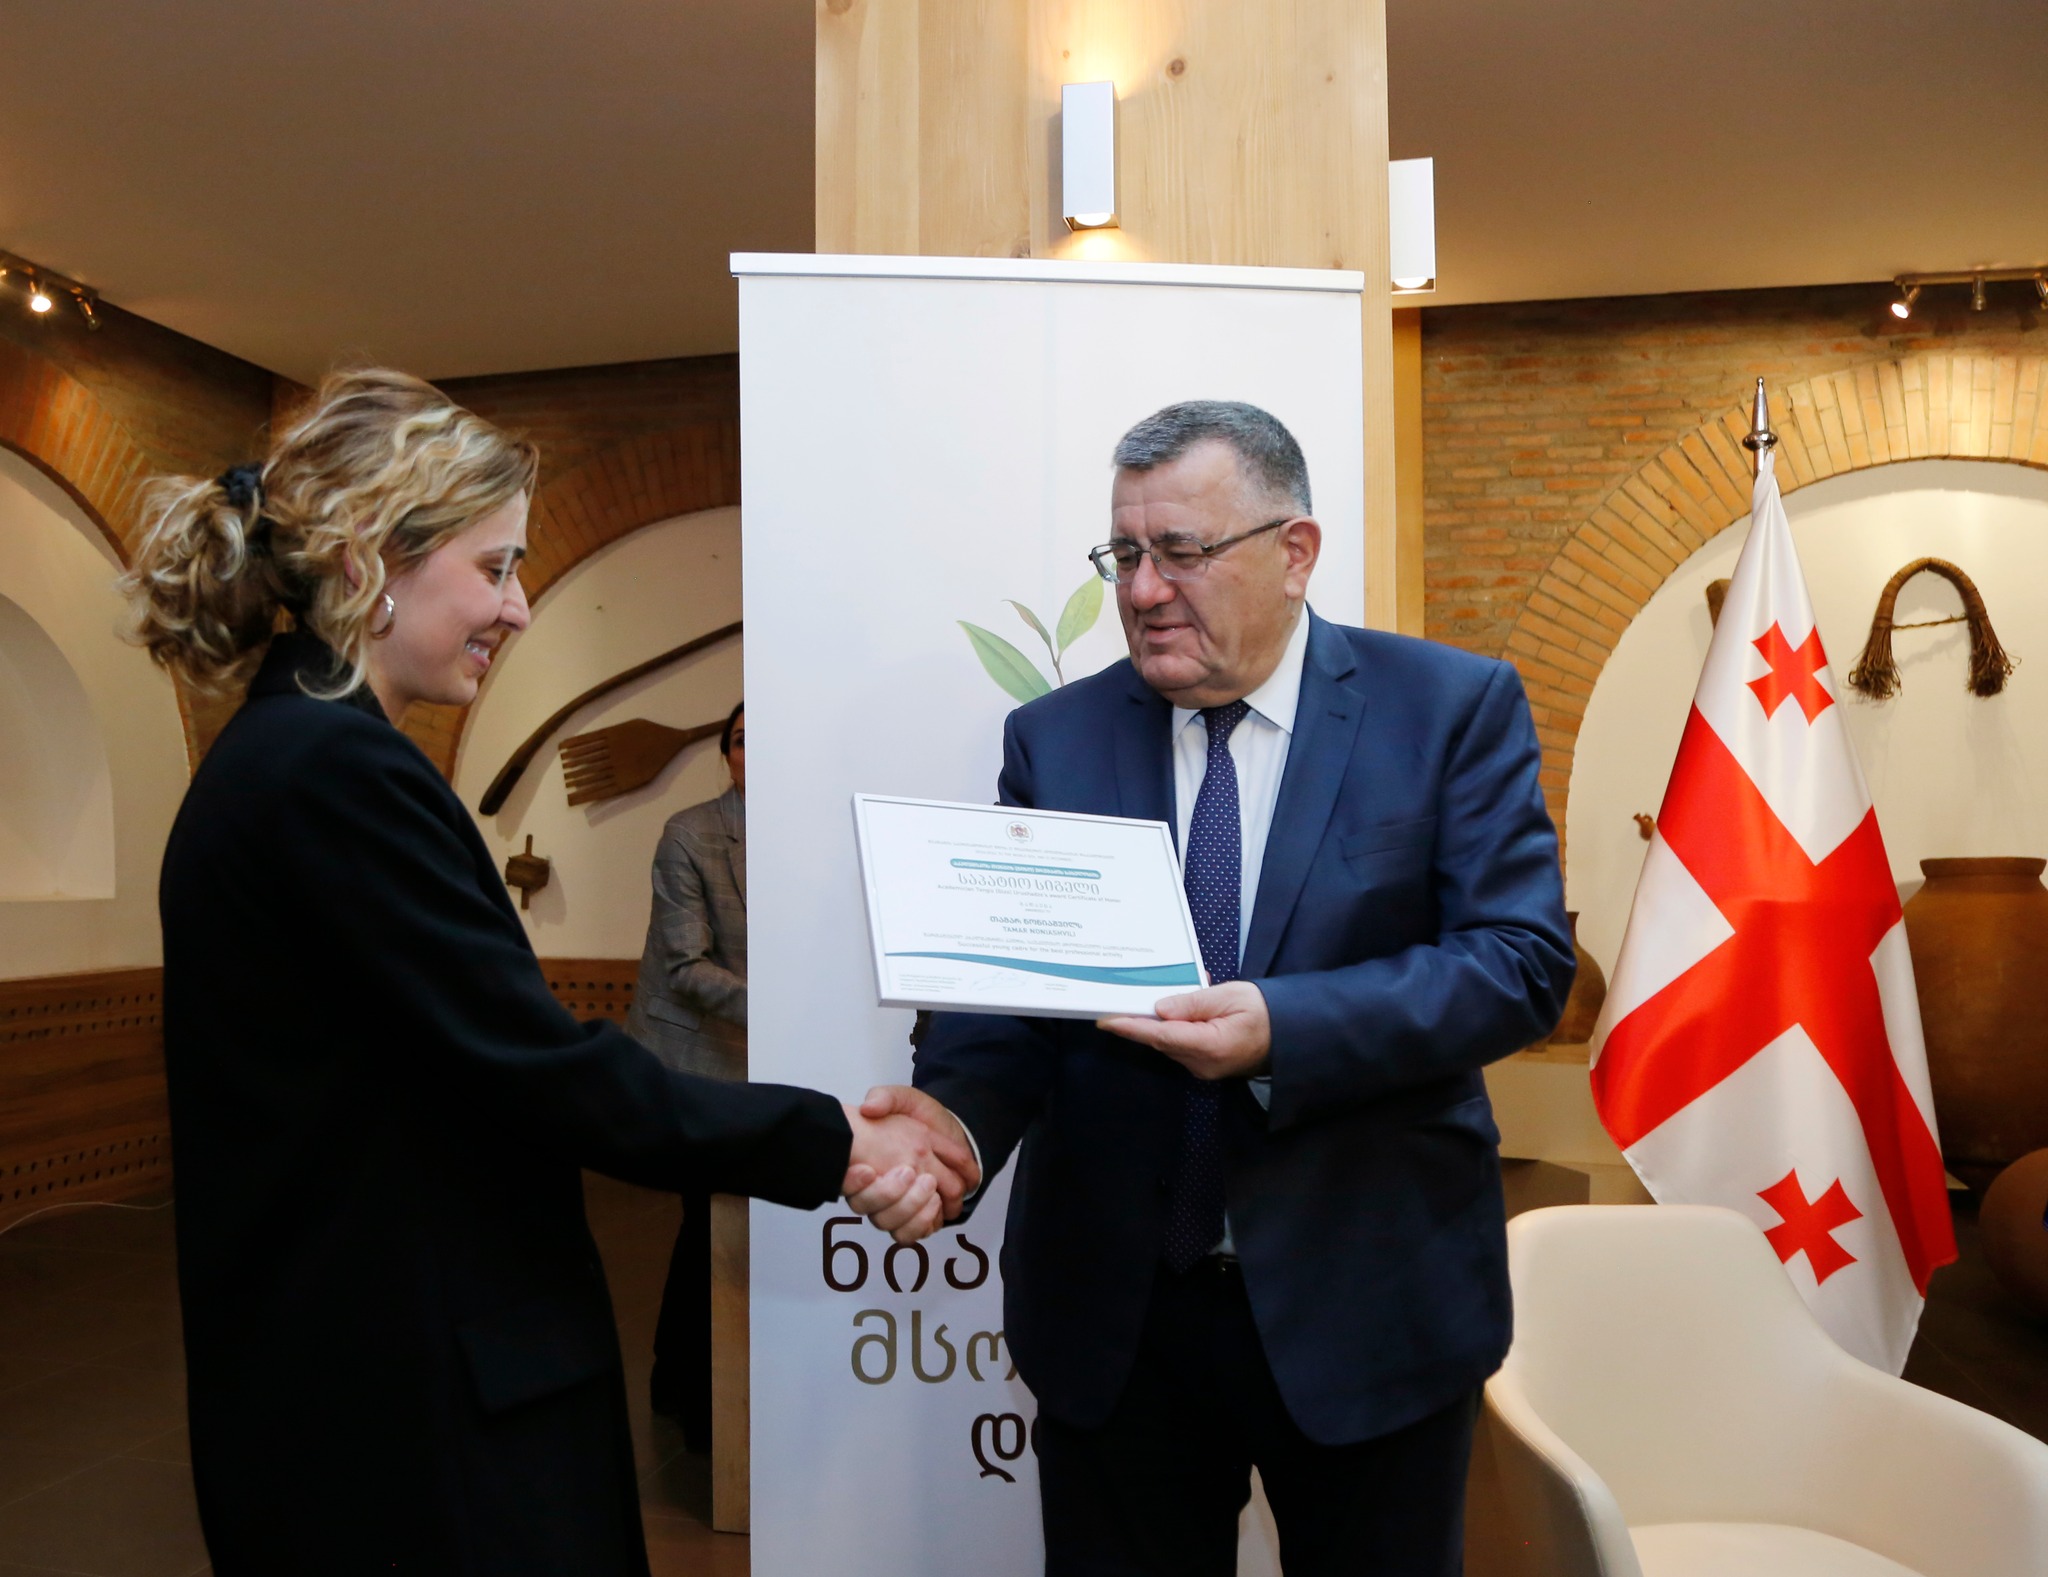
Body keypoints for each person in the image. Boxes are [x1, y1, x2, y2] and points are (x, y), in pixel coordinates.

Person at [122, 368, 972, 1577]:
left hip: (361, 1382)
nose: (517, 609)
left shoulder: (293, 751)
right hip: (406, 1408)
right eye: (495, 566)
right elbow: (536, 1070)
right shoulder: (330, 771)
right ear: (369, 560)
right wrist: (832, 1138)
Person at [871, 401, 1575, 1576]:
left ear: (1293, 552)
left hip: (1369, 1303)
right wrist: (955, 1123)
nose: (1142, 590)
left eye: (1180, 552)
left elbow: (1517, 961)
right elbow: (1008, 1002)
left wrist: (1282, 1028)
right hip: (1118, 1320)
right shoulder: (1055, 738)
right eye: (1123, 553)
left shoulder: (1447, 708)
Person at [622, 699, 748, 1446]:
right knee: (708, 1218)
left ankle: (680, 1382)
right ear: (725, 754)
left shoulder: (804, 833)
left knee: (715, 1222)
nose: (753, 754)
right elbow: (685, 966)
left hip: (757, 1049)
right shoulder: (689, 832)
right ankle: (691, 1399)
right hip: (692, 1053)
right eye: (740, 741)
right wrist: (785, 1011)